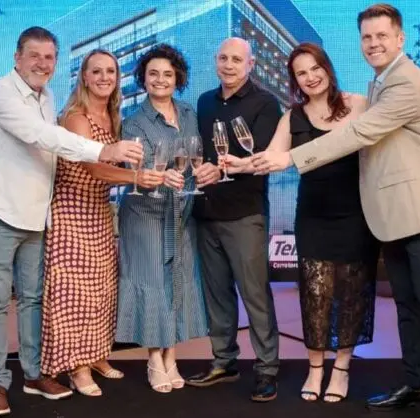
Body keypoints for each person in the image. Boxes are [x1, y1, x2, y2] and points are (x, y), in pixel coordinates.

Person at [251, 4, 420, 418]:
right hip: (391, 215)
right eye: (367, 37)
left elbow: (359, 133)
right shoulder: (380, 82)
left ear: (400, 38)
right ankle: (416, 383)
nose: (373, 43)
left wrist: (293, 158)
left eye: (381, 35)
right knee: (406, 304)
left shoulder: (406, 82)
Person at [0, 27, 142, 417]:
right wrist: (104, 150)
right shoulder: (1, 93)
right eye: (34, 55)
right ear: (17, 57)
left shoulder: (46, 97)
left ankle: (34, 375)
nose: (42, 64)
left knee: (33, 300)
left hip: (38, 215)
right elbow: (41, 136)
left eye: (49, 57)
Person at [225, 42, 379, 403]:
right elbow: (271, 157)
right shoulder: (292, 116)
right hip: (313, 215)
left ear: (327, 67)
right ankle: (316, 369)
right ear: (294, 80)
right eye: (301, 73)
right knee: (315, 296)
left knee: (351, 296)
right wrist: (240, 164)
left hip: (357, 214)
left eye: (315, 68)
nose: (310, 77)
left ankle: (341, 370)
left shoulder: (358, 104)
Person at [39, 49, 164, 397]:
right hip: (71, 212)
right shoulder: (76, 117)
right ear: (84, 77)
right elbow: (93, 167)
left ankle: (95, 355)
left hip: (99, 211)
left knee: (101, 290)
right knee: (73, 294)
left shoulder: (113, 117)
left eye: (110, 71)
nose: (104, 77)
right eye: (96, 71)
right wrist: (136, 178)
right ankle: (76, 367)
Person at [184, 37, 282, 403]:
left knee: (255, 295)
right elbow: (200, 152)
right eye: (223, 58)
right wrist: (198, 169)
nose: (228, 65)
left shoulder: (265, 103)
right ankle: (224, 362)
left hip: (244, 213)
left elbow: (261, 157)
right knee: (217, 295)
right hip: (206, 211)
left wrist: (223, 169)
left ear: (250, 64)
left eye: (236, 59)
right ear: (215, 60)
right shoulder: (204, 101)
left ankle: (267, 368)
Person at [114, 43, 208, 393]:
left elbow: (196, 159)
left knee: (176, 282)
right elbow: (134, 171)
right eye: (153, 74)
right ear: (143, 78)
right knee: (152, 283)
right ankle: (155, 358)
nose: (160, 79)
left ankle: (172, 356)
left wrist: (203, 169)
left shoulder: (189, 113)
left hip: (182, 212)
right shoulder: (133, 122)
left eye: (168, 74)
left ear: (178, 78)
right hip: (146, 214)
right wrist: (160, 175)